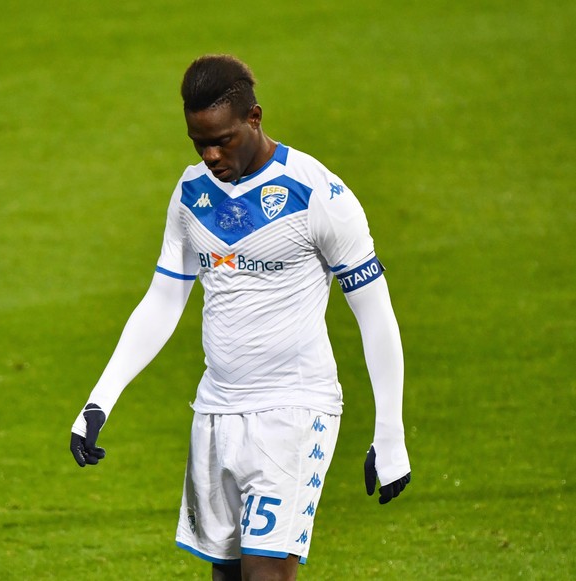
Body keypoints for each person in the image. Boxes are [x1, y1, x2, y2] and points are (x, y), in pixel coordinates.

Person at [69, 54, 411, 581]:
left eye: (222, 139)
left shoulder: (318, 194)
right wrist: (100, 399)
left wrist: (390, 433)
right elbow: (164, 299)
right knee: (226, 577)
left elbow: (375, 312)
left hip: (294, 410)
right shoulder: (191, 194)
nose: (210, 154)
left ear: (254, 117)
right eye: (197, 142)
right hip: (216, 411)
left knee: (265, 576)